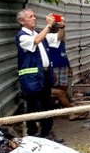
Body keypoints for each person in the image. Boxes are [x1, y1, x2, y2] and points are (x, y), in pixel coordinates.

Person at [15, 9, 63, 143]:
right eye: (30, 17)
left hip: (44, 74)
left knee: (47, 103)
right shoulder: (22, 36)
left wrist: (61, 27)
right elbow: (36, 40)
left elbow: (58, 38)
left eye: (34, 16)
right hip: (31, 77)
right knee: (33, 105)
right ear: (21, 21)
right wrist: (48, 26)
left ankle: (47, 133)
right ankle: (33, 135)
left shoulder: (38, 33)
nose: (34, 18)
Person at [46, 14, 88, 120]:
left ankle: (64, 110)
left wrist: (68, 66)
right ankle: (67, 111)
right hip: (54, 66)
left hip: (62, 65)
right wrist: (61, 26)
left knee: (63, 89)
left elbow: (63, 52)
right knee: (58, 89)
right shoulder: (49, 37)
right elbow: (59, 35)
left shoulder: (61, 39)